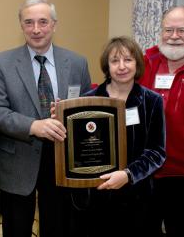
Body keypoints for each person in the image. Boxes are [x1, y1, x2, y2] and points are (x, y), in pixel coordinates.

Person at [0, 0, 91, 237]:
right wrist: (33, 125)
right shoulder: (1, 62)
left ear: (54, 24)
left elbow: (86, 109)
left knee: (58, 225)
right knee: (16, 228)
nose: (36, 29)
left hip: (61, 159)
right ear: (21, 25)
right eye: (29, 22)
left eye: (43, 22)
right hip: (18, 158)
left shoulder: (77, 62)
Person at [53, 36, 165, 237]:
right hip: (94, 196)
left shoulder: (152, 101)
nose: (122, 66)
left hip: (136, 196)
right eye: (115, 61)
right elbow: (73, 148)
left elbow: (156, 151)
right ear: (107, 65)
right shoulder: (86, 101)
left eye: (128, 60)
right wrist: (61, 121)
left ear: (137, 63)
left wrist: (128, 175)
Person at [139, 6, 184, 237]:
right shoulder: (145, 62)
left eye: (181, 30)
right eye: (168, 30)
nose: (174, 36)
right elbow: (115, 90)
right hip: (146, 172)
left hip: (181, 174)